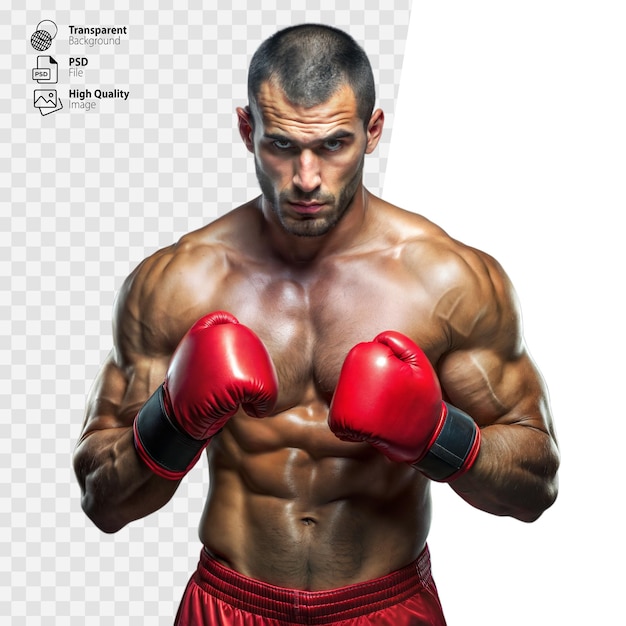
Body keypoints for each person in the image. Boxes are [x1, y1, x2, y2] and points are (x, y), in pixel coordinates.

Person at [73, 24, 560, 626]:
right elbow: (103, 499)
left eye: (333, 145)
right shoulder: (179, 282)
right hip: (231, 606)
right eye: (280, 146)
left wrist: (437, 433)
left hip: (383, 606)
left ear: (372, 132)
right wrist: (174, 417)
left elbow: (536, 483)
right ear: (247, 130)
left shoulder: (449, 281)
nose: (306, 178)